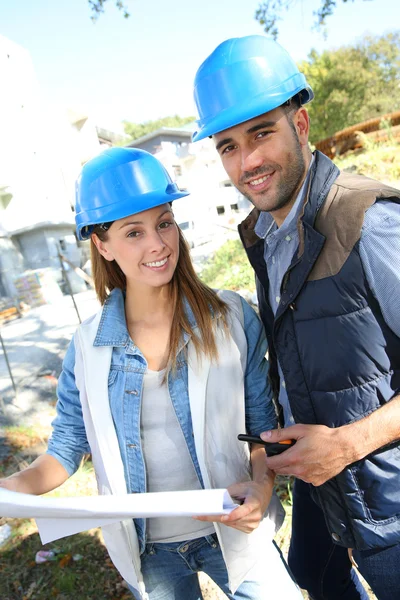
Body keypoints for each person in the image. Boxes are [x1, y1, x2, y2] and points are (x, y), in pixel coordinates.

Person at [0, 147, 302, 600]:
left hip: (236, 529)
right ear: (102, 244)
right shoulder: (86, 350)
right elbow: (63, 453)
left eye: (164, 222)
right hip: (149, 552)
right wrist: (9, 490)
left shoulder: (231, 317)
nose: (157, 244)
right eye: (133, 232)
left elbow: (260, 428)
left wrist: (261, 488)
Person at [191, 35, 400, 600]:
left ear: (301, 125)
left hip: (389, 504)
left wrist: (348, 444)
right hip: (325, 489)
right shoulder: (265, 236)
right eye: (228, 146)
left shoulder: (369, 223)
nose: (248, 162)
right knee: (313, 575)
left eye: (262, 133)